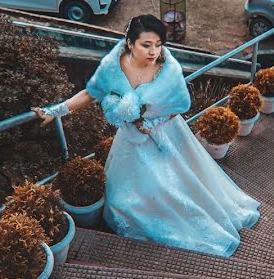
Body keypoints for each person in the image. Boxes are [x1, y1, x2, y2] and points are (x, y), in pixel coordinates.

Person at [33, 14, 260, 257]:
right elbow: (91, 93)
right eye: (146, 45)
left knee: (174, 183)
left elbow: (180, 105)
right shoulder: (114, 65)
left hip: (168, 134)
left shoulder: (168, 67)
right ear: (130, 43)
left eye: (158, 44)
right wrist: (55, 111)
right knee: (125, 198)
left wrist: (153, 122)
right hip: (131, 141)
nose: (154, 52)